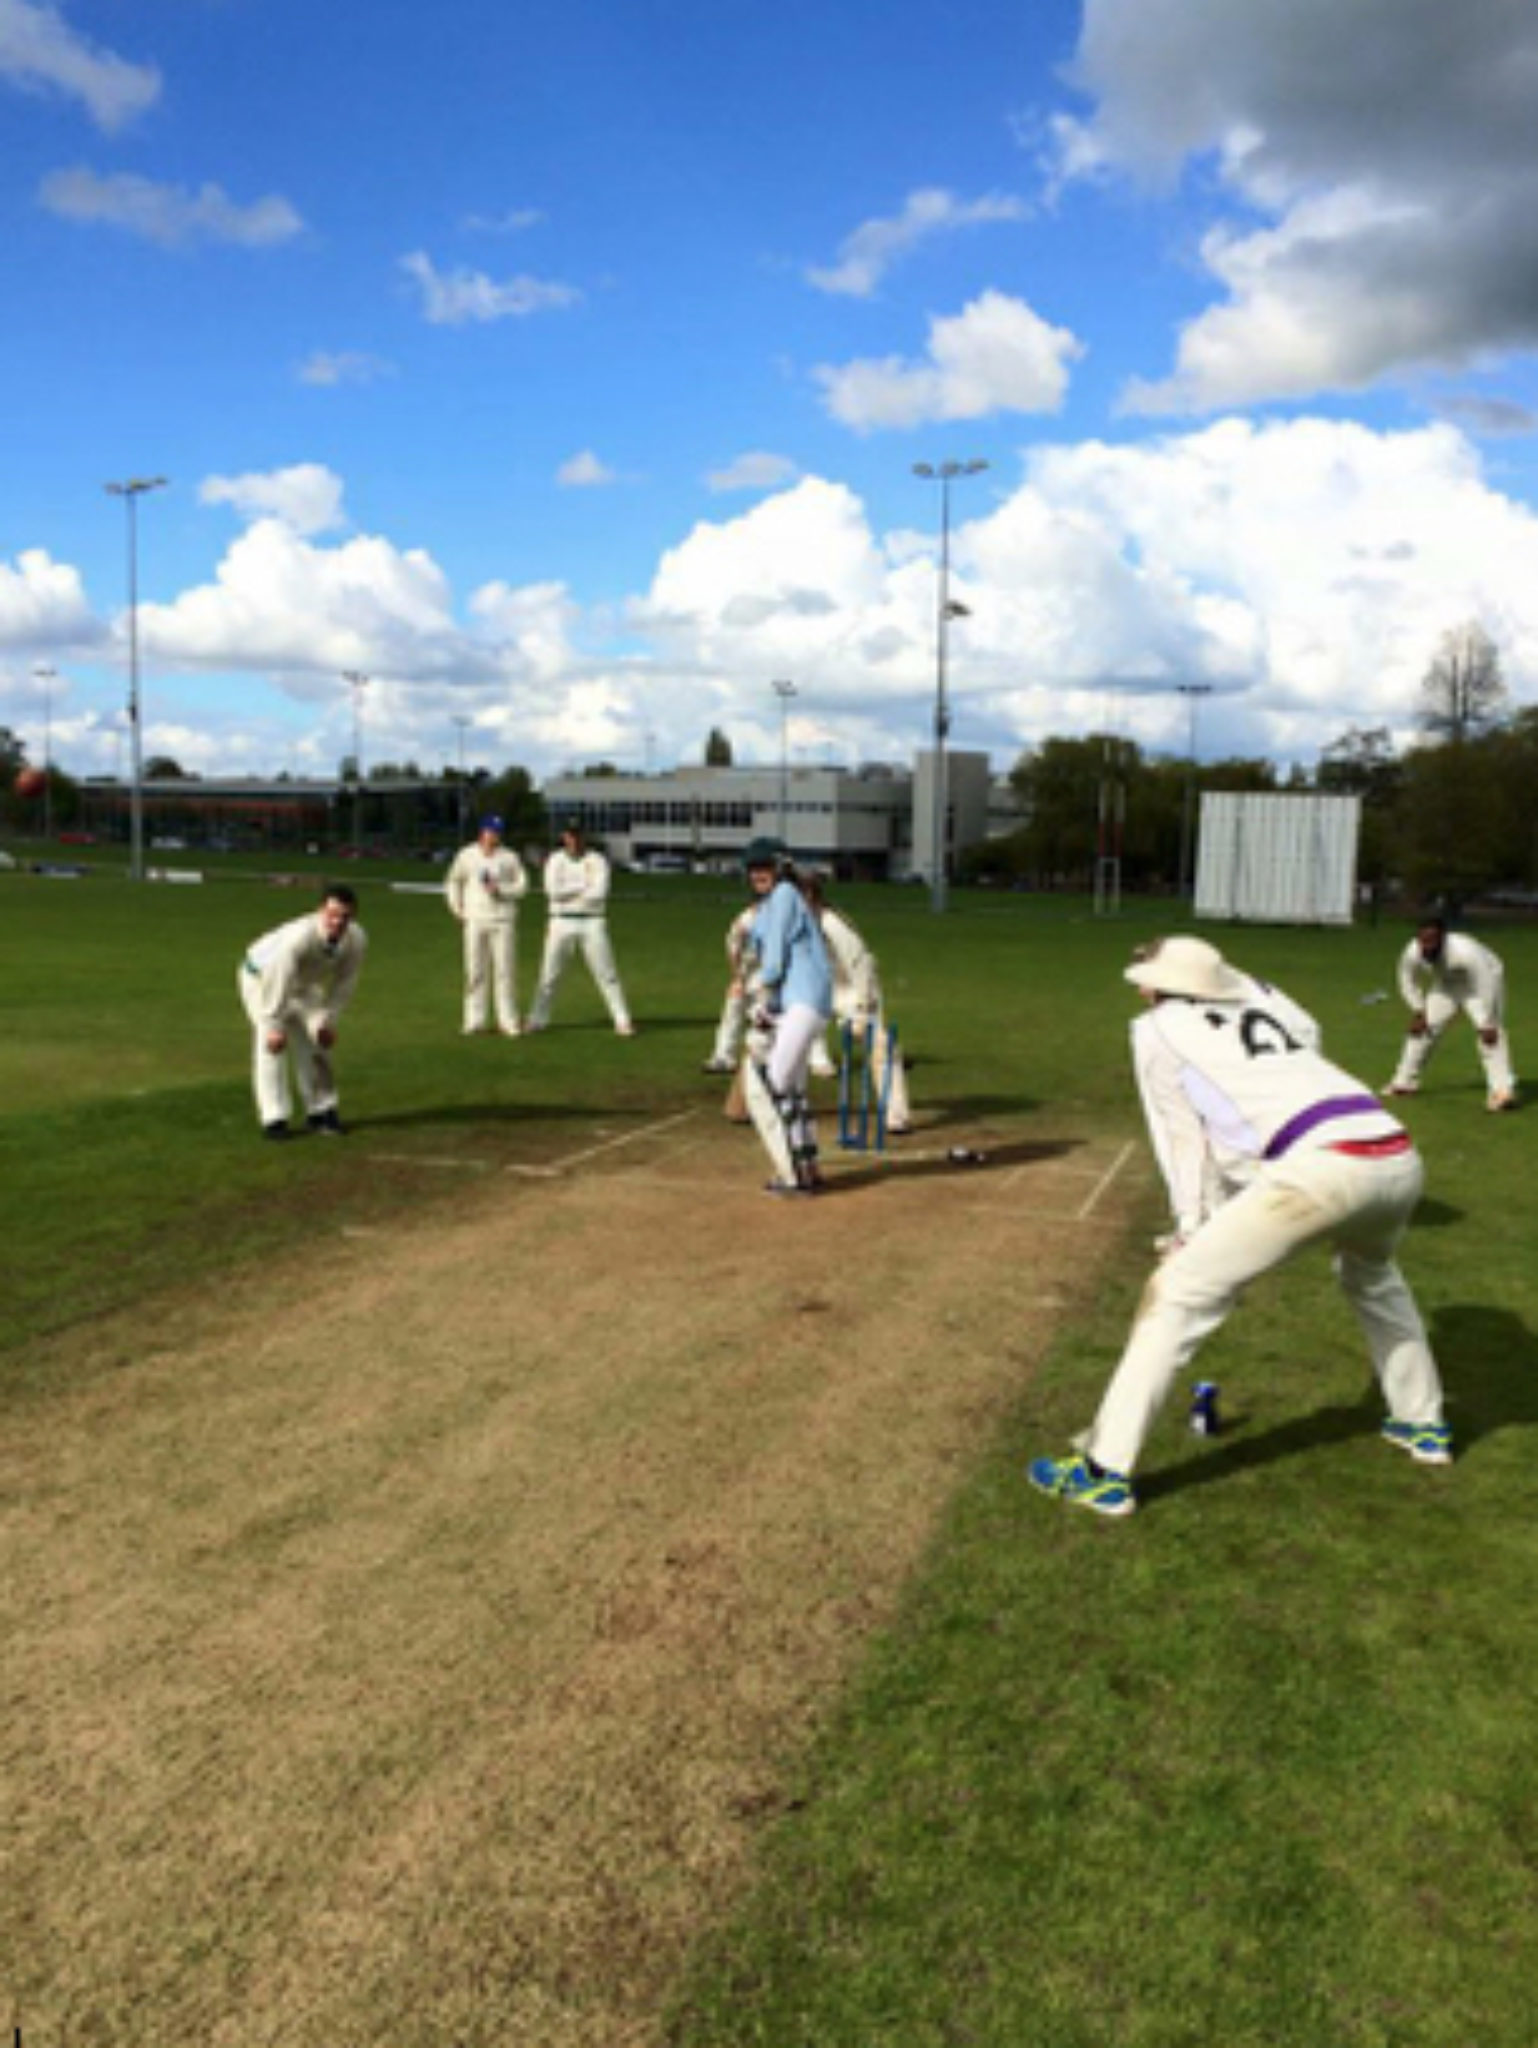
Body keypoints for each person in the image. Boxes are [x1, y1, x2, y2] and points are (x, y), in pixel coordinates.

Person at [1030, 934, 1449, 1518]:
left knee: (1177, 1292)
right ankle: (1422, 1424)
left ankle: (1104, 1472)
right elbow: (1309, 1040)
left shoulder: (1155, 1031)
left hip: (1321, 1170)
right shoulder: (1268, 998)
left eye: (1147, 979)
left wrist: (1190, 1226)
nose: (1141, 988)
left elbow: (1179, 1134)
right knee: (1374, 1277)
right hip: (1396, 1153)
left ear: (1164, 986)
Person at [739, 838, 834, 1194]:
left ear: (779, 869)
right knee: (793, 1088)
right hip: (804, 1002)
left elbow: (775, 963)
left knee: (774, 1084)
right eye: (753, 869)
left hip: (804, 1002)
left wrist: (753, 990)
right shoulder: (776, 903)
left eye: (765, 867)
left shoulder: (782, 896)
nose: (758, 874)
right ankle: (809, 1168)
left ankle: (792, 1174)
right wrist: (766, 1005)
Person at [237, 883, 367, 1141]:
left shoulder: (357, 939)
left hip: (305, 985)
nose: (338, 922)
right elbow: (278, 979)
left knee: (318, 1042)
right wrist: (274, 1025)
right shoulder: (298, 938)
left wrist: (328, 1021)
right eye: (332, 915)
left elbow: (344, 984)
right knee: (271, 1046)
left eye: (345, 916)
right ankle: (274, 1119)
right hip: (262, 979)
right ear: (321, 911)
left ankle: (321, 1112)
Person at [799, 871, 910, 1132]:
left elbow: (861, 964)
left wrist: (863, 1008)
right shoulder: (792, 921)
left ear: (813, 896)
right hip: (816, 986)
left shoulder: (831, 923)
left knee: (879, 1046)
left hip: (852, 987)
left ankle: (897, 1114)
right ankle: (788, 1104)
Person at [1385, 916, 1517, 1111]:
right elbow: (1407, 980)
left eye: (1432, 940)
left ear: (1443, 938)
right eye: (1423, 941)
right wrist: (1418, 1010)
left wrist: (1488, 1022)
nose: (1427, 946)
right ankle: (1403, 1084)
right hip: (1447, 985)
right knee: (1421, 1030)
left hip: (1481, 984)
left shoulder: (1465, 952)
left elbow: (1485, 983)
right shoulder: (1413, 951)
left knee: (1490, 1037)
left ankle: (1502, 1092)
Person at [527, 819, 635, 1035]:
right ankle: (537, 1018)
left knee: (606, 973)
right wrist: (582, 887)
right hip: (560, 920)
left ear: (583, 836)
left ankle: (622, 1020)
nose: (574, 840)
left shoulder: (597, 860)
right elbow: (552, 891)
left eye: (577, 835)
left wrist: (570, 892)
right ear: (564, 837)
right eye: (570, 835)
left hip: (592, 920)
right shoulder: (556, 860)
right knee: (549, 974)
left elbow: (599, 893)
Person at [445, 814, 529, 1036]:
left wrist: (501, 890)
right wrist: (457, 909)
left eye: (498, 832)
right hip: (475, 919)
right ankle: (474, 1020)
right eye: (492, 831)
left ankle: (508, 1020)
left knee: (505, 972)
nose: (495, 836)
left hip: (503, 920)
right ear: (482, 832)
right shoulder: (467, 855)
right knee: (475, 970)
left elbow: (522, 886)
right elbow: (453, 881)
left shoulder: (510, 857)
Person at [703, 903, 758, 1074]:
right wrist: (737, 978)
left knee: (765, 1015)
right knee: (733, 1009)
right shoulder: (745, 920)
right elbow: (733, 947)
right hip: (748, 970)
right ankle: (724, 1057)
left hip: (771, 972)